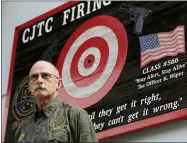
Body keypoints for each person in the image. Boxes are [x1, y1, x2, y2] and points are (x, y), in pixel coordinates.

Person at [16, 60, 98, 143]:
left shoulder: (75, 115)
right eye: (34, 77)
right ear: (30, 87)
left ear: (58, 84)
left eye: (45, 76)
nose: (39, 80)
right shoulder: (23, 127)